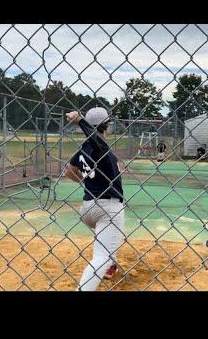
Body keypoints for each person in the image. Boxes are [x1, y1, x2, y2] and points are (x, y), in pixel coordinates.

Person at [64, 107, 125, 291]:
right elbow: (99, 144)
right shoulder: (99, 146)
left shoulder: (84, 148)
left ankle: (110, 265)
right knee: (102, 255)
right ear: (106, 126)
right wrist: (81, 121)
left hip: (89, 207)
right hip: (108, 207)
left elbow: (68, 169)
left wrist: (84, 181)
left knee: (112, 237)